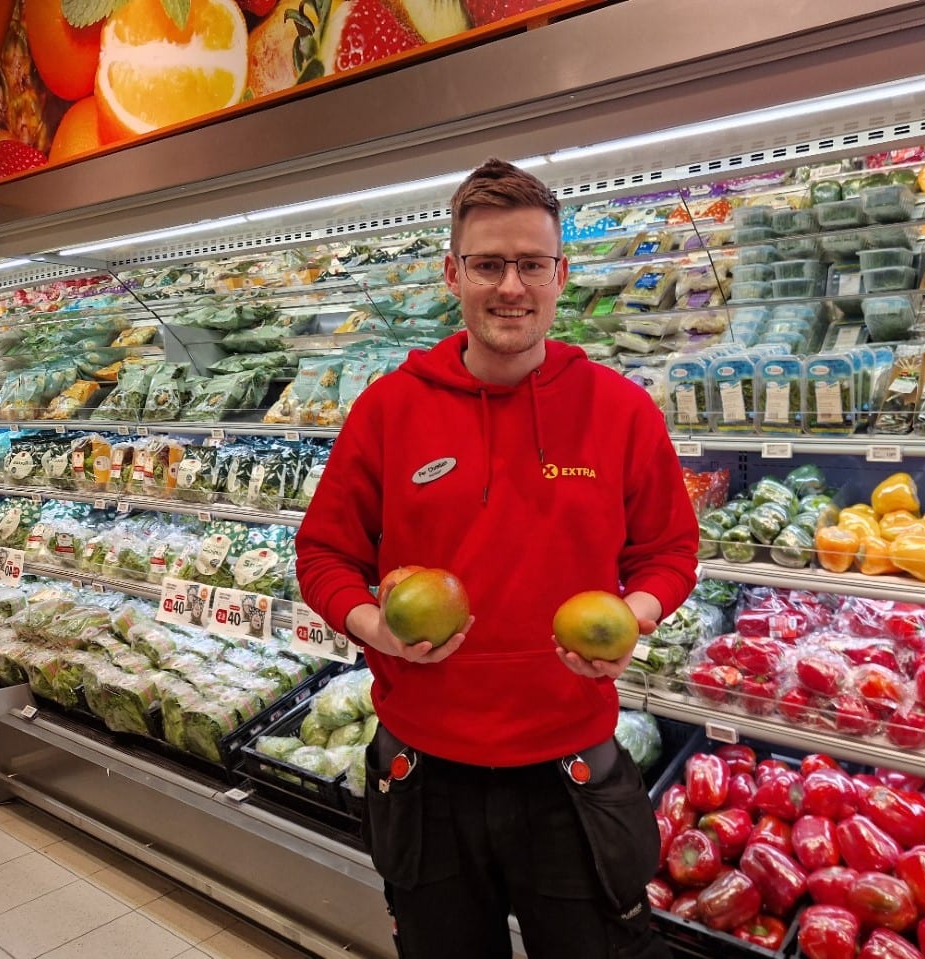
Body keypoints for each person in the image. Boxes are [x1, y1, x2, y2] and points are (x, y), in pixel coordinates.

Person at [295, 157, 698, 958]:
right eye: (487, 265)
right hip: (424, 775)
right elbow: (324, 553)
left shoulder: (620, 409)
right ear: (453, 274)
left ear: (560, 275)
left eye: (531, 265)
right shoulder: (388, 409)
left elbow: (670, 551)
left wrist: (634, 615)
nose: (511, 286)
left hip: (571, 774)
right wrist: (373, 625)